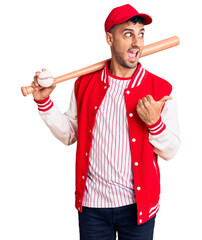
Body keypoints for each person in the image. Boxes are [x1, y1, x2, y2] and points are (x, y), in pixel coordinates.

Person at [31, 4, 180, 240]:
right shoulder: (84, 85)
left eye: (141, 34)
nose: (136, 43)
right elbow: (70, 134)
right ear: (109, 38)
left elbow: (171, 150)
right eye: (128, 34)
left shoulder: (159, 89)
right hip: (93, 208)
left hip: (138, 208)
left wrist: (154, 124)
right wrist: (44, 103)